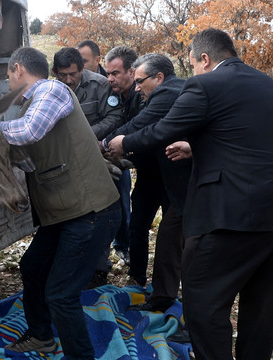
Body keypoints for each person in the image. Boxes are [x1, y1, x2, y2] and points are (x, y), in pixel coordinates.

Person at [108, 28, 273, 359]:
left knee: (203, 300)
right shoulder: (265, 82)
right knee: (262, 307)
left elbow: (163, 130)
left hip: (243, 209)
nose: (192, 72)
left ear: (204, 59)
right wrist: (196, 148)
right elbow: (249, 138)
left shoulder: (204, 84)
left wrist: (124, 143)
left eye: (193, 64)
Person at [0, 46, 121, 360]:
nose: (7, 81)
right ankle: (42, 336)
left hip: (89, 211)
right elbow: (28, 158)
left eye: (7, 74)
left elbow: (29, 132)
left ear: (17, 69)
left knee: (61, 294)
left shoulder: (51, 90)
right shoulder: (32, 104)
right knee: (33, 267)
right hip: (66, 213)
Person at [102, 53, 190, 312]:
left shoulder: (167, 92)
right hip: (162, 178)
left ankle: (166, 299)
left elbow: (143, 126)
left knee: (171, 242)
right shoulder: (170, 91)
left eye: (141, 81)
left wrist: (108, 143)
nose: (138, 86)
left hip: (181, 182)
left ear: (159, 77)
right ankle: (152, 287)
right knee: (152, 233)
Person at [51, 47, 124, 287]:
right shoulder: (51, 90)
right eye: (63, 75)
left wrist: (85, 136)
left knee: (102, 212)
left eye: (73, 74)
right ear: (55, 73)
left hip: (98, 158)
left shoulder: (100, 85)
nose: (69, 80)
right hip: (66, 163)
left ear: (83, 68)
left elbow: (114, 117)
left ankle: (99, 269)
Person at [105, 46, 167, 287]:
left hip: (167, 173)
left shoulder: (157, 97)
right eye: (108, 73)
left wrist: (111, 144)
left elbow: (141, 129)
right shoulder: (122, 96)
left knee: (168, 233)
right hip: (146, 175)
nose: (111, 78)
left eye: (116, 73)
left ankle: (164, 284)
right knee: (138, 227)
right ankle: (137, 278)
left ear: (131, 72)